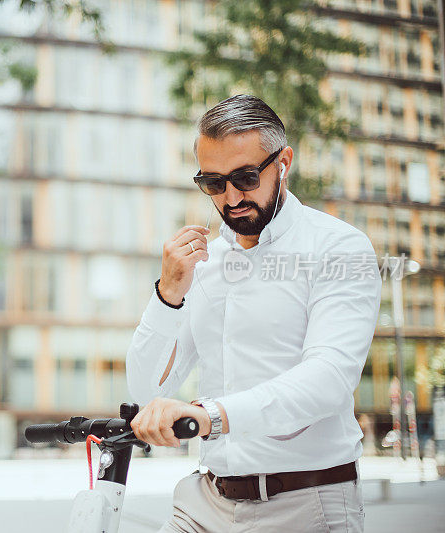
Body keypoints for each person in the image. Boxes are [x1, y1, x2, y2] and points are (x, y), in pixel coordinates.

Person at [126, 94, 382, 532]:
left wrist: (212, 416)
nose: (230, 197)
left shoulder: (338, 248)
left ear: (283, 162)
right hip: (204, 502)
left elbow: (328, 379)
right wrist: (168, 293)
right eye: (212, 183)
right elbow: (146, 390)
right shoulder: (204, 264)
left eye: (245, 177)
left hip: (305, 504)